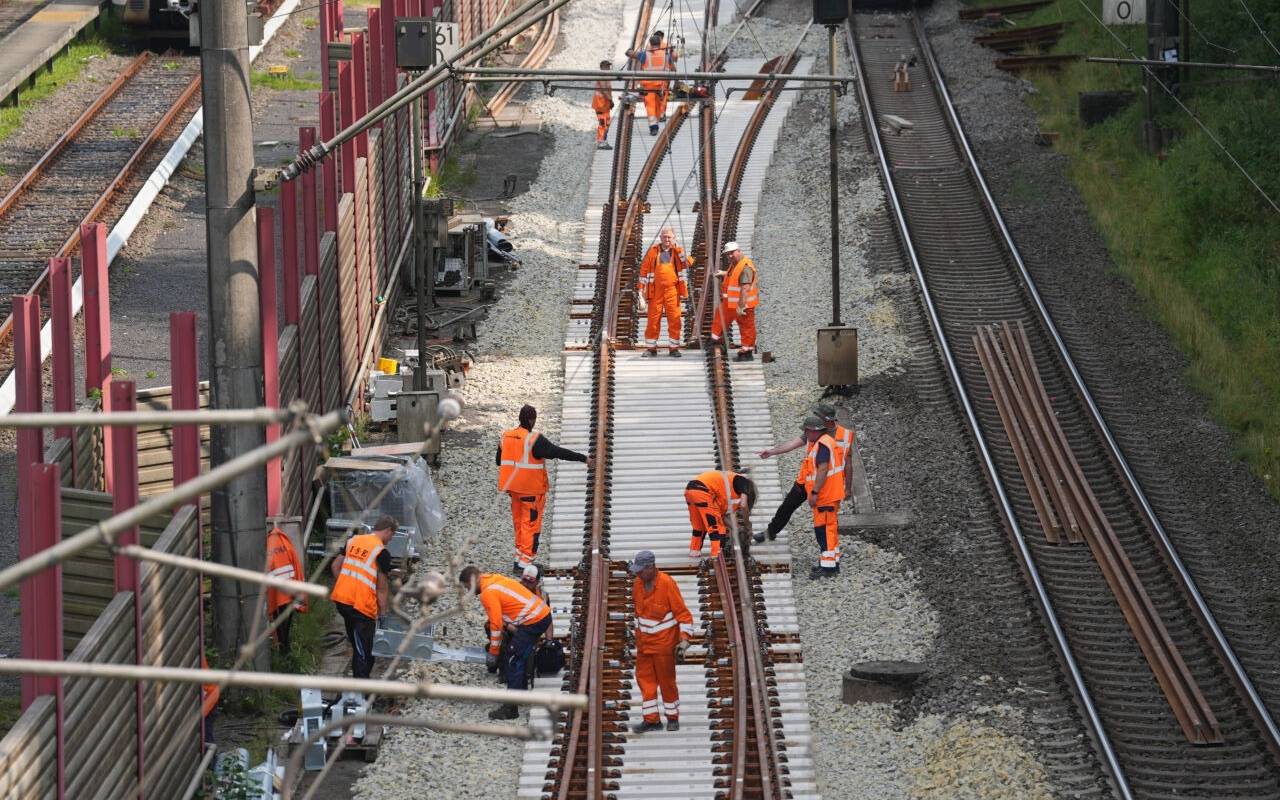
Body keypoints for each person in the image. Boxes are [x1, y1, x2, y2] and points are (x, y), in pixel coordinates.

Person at [496, 405, 594, 573]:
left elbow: (499, 461)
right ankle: (525, 564)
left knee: (519, 524)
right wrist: (583, 459)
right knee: (531, 527)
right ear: (531, 420)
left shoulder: (505, 436)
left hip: (513, 491)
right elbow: (557, 452)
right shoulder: (534, 439)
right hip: (531, 493)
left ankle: (518, 559)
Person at [460, 565, 553, 720]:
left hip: (533, 621)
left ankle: (511, 708)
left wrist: (493, 653)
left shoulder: (487, 593)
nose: (468, 591)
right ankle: (520, 694)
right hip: (540, 616)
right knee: (518, 656)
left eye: (467, 586)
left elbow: (496, 625)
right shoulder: (493, 578)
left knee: (513, 658)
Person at [755, 402, 854, 543]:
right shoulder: (813, 431)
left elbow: (848, 464)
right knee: (787, 506)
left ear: (826, 419)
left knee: (825, 523)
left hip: (827, 488)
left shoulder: (845, 435)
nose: (814, 416)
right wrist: (771, 452)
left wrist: (848, 488)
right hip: (806, 481)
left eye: (817, 414)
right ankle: (770, 532)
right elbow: (791, 444)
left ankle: (828, 557)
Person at [629, 550, 693, 733]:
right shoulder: (638, 585)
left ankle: (672, 718)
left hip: (664, 646)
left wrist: (684, 639)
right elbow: (638, 614)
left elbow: (683, 614)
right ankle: (651, 720)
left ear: (651, 568)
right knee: (645, 682)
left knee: (667, 682)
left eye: (641, 571)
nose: (638, 574)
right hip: (644, 645)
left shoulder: (667, 584)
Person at [330, 516, 397, 679]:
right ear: (388, 531)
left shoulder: (354, 540)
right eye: (392, 535)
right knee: (365, 653)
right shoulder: (381, 552)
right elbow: (381, 588)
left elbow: (335, 566)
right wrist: (383, 614)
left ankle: (358, 686)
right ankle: (361, 694)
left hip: (343, 602)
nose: (391, 539)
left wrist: (346, 585)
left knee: (358, 647)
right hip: (361, 607)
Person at [797, 415, 846, 578]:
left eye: (806, 430)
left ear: (813, 431)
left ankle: (828, 568)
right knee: (829, 529)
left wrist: (814, 492)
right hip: (830, 495)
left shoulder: (822, 445)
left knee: (824, 531)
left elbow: (823, 469)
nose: (805, 434)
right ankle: (832, 562)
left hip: (824, 496)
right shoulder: (826, 441)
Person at [636, 226, 691, 357]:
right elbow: (643, 271)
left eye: (669, 237)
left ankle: (674, 348)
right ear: (660, 238)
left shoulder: (677, 251)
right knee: (653, 320)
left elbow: (688, 263)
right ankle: (651, 348)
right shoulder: (653, 251)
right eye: (664, 236)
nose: (667, 239)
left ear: (674, 238)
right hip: (655, 291)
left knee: (675, 320)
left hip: (673, 291)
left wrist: (677, 248)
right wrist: (640, 291)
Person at [684, 469, 757, 558]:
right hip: (703, 491)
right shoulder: (744, 482)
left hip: (690, 490)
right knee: (716, 527)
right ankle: (717, 554)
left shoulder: (725, 487)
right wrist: (746, 524)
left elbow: (721, 517)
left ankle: (694, 551)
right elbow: (743, 505)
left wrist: (736, 528)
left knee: (699, 525)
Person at [710, 241, 759, 361]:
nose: (730, 256)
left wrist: (741, 306)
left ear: (739, 251)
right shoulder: (736, 264)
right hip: (732, 302)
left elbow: (745, 288)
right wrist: (724, 273)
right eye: (728, 254)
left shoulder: (746, 267)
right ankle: (715, 340)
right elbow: (735, 276)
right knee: (720, 315)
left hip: (743, 305)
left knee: (746, 327)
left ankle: (746, 353)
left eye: (732, 253)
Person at [265, 526, 307, 655]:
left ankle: (283, 653)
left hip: (277, 593)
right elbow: (297, 565)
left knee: (280, 626)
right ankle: (285, 652)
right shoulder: (285, 542)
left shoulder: (268, 545)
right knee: (286, 625)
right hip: (290, 591)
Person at [636, 32, 673, 135]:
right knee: (659, 104)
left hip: (648, 86)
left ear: (650, 44)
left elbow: (630, 54)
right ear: (660, 43)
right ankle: (658, 119)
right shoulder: (666, 55)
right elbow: (673, 69)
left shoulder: (644, 54)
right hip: (662, 85)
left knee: (650, 106)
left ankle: (653, 126)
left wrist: (630, 51)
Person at [592, 60, 614, 150]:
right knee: (602, 123)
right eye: (607, 67)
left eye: (609, 67)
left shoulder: (606, 76)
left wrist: (610, 101)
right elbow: (605, 90)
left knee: (607, 122)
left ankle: (603, 140)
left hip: (605, 104)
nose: (608, 68)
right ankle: (601, 142)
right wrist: (611, 100)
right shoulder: (601, 76)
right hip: (600, 104)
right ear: (602, 67)